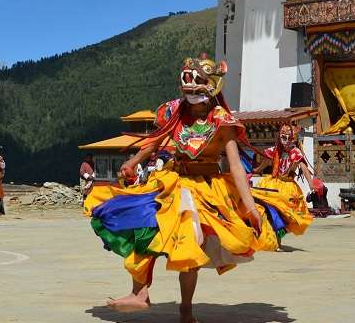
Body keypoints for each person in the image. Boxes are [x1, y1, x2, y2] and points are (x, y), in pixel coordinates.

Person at [83, 54, 312, 323]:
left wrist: (250, 207)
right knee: (146, 225)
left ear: (212, 86)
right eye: (188, 83)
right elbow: (155, 142)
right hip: (173, 183)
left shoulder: (221, 120)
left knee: (190, 245)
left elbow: (236, 166)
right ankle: (140, 292)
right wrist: (133, 161)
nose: (192, 90)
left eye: (199, 84)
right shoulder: (175, 113)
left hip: (207, 190)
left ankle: (186, 310)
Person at [253, 123, 316, 251]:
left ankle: (278, 238)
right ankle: (273, 240)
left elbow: (304, 168)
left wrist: (311, 185)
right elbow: (264, 164)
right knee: (271, 213)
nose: (285, 141)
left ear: (293, 138)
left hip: (287, 188)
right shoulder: (274, 150)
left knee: (285, 217)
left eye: (287, 138)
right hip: (272, 184)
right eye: (283, 137)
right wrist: (254, 171)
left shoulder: (296, 152)